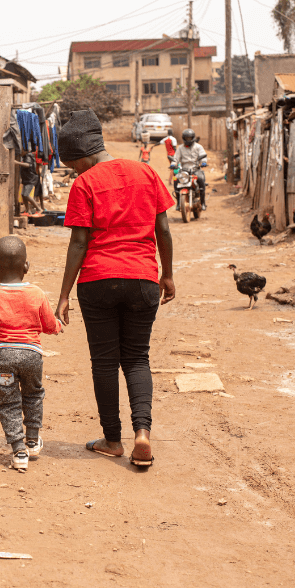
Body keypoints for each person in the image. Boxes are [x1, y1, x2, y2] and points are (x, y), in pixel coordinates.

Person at [54, 110, 176, 467]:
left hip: (98, 281)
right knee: (137, 358)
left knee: (105, 362)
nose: (75, 171)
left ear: (82, 154)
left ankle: (112, 440)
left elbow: (79, 242)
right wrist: (167, 274)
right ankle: (142, 434)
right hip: (142, 278)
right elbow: (163, 231)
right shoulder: (146, 172)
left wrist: (63, 294)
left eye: (73, 164)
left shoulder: (85, 183)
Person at [0, 236, 62, 472]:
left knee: (9, 402)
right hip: (31, 356)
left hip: (2, 358)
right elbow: (50, 325)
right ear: (26, 267)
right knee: (33, 395)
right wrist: (60, 324)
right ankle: (32, 440)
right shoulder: (36, 294)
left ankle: (18, 451)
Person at [175, 128, 208, 209]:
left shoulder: (198, 147)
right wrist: (173, 164)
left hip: (196, 169)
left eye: (189, 138)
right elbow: (176, 158)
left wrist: (203, 162)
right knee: (176, 179)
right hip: (184, 170)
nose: (188, 140)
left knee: (201, 179)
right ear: (183, 138)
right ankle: (179, 202)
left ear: (193, 138)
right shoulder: (180, 148)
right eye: (186, 138)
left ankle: (203, 203)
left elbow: (203, 155)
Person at [14, 152, 43, 216]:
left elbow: (28, 165)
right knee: (23, 195)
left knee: (26, 194)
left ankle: (39, 209)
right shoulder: (25, 157)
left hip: (31, 179)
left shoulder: (28, 156)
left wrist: (17, 163)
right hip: (26, 179)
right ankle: (28, 210)